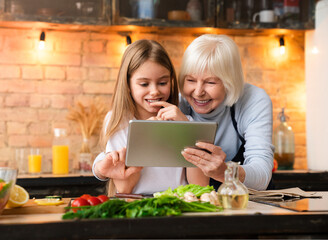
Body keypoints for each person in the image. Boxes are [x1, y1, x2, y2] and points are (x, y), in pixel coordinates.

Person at [151, 34, 274, 190]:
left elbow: (262, 176)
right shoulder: (176, 105)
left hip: (250, 202)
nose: (198, 92)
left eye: (210, 82)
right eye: (191, 80)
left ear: (230, 82)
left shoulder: (253, 100)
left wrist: (224, 172)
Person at [92, 39, 189, 195]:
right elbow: (124, 189)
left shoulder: (182, 119)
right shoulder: (118, 121)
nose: (154, 91)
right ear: (128, 85)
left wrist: (186, 131)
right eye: (144, 84)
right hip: (137, 205)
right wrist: (145, 134)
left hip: (181, 205)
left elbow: (199, 187)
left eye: (163, 82)